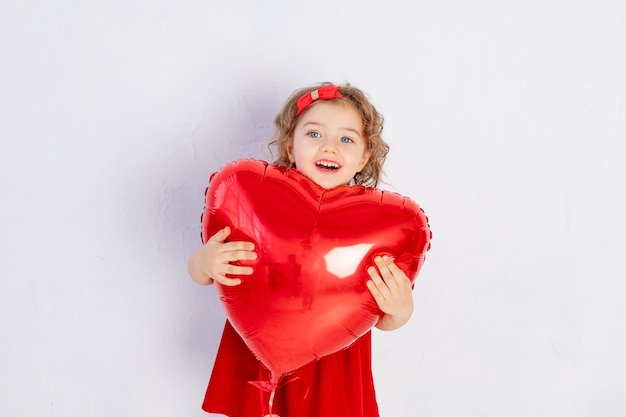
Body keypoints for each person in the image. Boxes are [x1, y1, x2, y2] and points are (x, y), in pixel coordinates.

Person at [188, 82, 419, 417]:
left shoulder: (378, 227)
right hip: (260, 341)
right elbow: (203, 274)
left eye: (346, 139)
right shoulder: (258, 202)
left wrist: (401, 308)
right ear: (290, 147)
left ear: (364, 156)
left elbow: (382, 317)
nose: (330, 147)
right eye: (314, 134)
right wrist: (204, 262)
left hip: (334, 359)